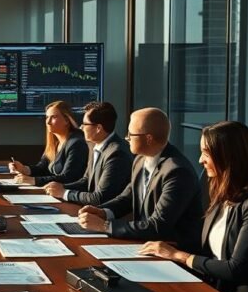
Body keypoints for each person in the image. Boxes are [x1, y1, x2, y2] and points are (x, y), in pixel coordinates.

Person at [139, 121, 248, 292]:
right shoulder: (224, 193)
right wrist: (169, 248)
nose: (200, 160)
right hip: (214, 287)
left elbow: (236, 269)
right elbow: (208, 251)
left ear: (229, 157)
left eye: (206, 153)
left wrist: (179, 255)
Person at [76, 107, 203, 250]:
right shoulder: (140, 160)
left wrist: (105, 226)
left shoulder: (177, 171)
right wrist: (103, 212)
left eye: (131, 134)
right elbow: (127, 198)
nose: (127, 138)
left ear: (148, 138)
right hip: (143, 242)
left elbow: (158, 226)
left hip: (172, 250)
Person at [43, 101, 132, 205]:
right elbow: (86, 181)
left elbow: (100, 198)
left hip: (105, 212)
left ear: (98, 128)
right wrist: (60, 187)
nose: (81, 128)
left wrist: (64, 193)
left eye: (85, 124)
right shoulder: (95, 145)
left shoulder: (117, 153)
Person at [9, 100, 88, 186]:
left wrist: (33, 180)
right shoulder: (55, 142)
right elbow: (42, 168)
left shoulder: (77, 143)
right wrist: (23, 169)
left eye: (53, 117)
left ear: (67, 120)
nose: (48, 122)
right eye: (47, 117)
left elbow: (69, 177)